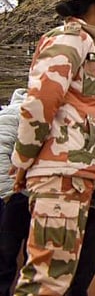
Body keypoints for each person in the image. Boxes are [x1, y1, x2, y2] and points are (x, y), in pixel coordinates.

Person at [11, 0, 95, 296]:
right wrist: (22, 162)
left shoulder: (85, 45)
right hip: (59, 174)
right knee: (46, 277)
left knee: (57, 275)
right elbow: (39, 105)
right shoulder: (68, 40)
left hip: (72, 175)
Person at [0, 89, 28, 295]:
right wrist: (9, 193)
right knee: (6, 256)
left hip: (34, 196)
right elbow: (1, 154)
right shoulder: (13, 114)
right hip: (14, 197)